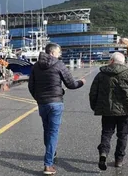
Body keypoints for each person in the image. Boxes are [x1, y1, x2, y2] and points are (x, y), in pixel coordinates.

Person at [28, 43, 86, 175]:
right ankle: (48, 164)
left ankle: (51, 153)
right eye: (59, 52)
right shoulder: (59, 64)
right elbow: (71, 84)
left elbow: (31, 85)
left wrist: (38, 98)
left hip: (42, 103)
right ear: (53, 53)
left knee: (47, 130)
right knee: (53, 132)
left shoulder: (36, 66)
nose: (60, 54)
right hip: (55, 103)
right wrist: (81, 82)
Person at [89, 52, 128, 170]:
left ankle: (103, 153)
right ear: (123, 62)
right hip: (125, 110)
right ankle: (119, 160)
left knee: (106, 133)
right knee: (122, 135)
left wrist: (94, 106)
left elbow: (93, 92)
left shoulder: (101, 74)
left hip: (107, 110)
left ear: (111, 60)